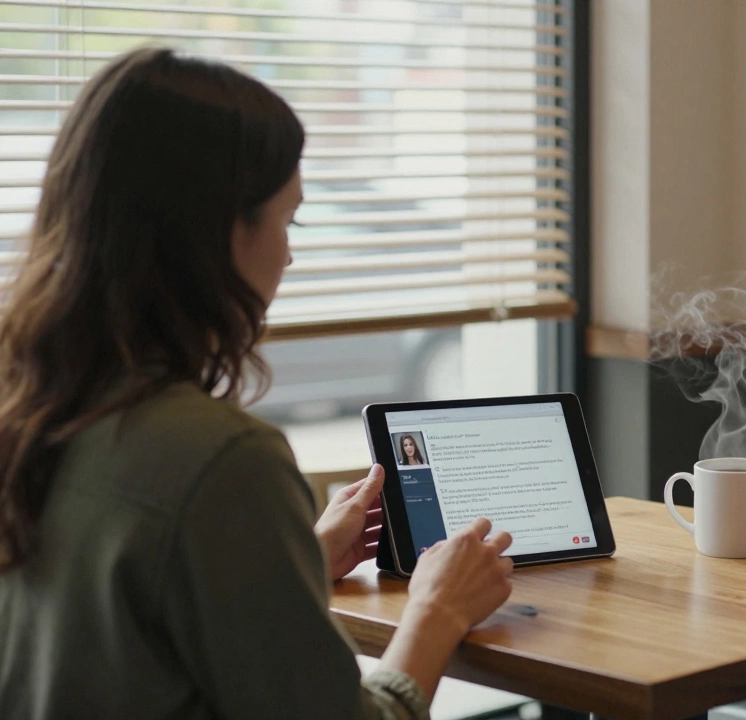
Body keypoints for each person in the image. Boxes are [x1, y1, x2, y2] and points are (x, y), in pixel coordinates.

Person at [0, 47, 513, 719]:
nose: (290, 251)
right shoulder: (222, 460)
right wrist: (436, 613)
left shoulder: (32, 409)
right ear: (217, 232)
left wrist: (294, 559)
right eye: (286, 218)